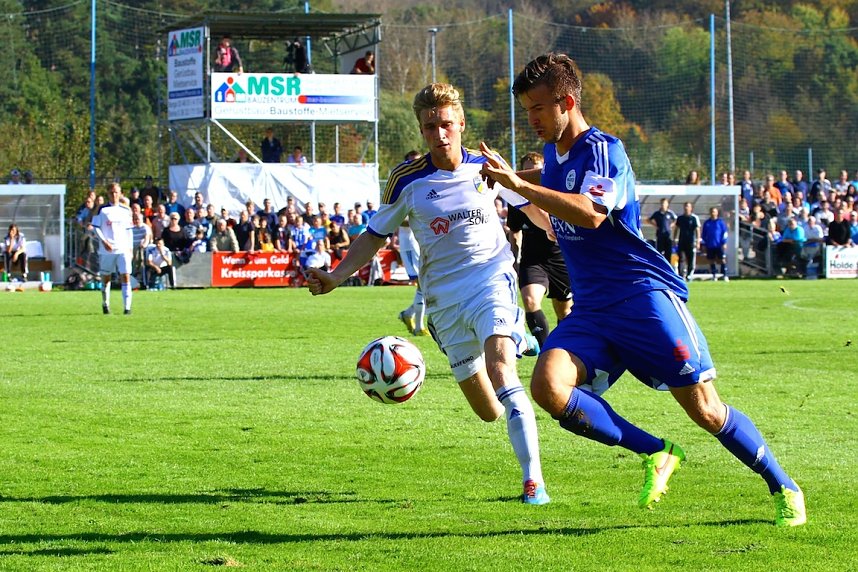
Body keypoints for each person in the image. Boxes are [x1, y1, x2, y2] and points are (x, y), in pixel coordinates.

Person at [479, 52, 804, 526]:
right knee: (548, 386)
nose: (531, 119)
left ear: (567, 102)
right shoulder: (553, 152)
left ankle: (784, 485)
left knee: (707, 411)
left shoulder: (607, 150)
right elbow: (551, 178)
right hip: (593, 309)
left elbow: (591, 212)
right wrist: (509, 178)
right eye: (526, 109)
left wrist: (516, 184)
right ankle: (656, 452)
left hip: (642, 299)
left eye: (538, 109)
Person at [307, 82, 551, 505]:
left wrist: (572, 237)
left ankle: (534, 482)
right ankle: (516, 341)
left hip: (492, 281)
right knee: (489, 410)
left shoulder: (486, 167)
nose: (440, 134)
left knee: (503, 372)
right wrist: (335, 275)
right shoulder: (408, 180)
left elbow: (532, 202)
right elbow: (374, 235)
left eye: (446, 125)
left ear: (461, 124)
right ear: (422, 130)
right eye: (430, 126)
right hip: (443, 303)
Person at [507, 151, 572, 349]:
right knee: (530, 300)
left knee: (564, 312)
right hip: (532, 259)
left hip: (560, 258)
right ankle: (546, 350)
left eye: (536, 171)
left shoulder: (556, 194)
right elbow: (515, 232)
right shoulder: (516, 200)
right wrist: (513, 259)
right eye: (528, 171)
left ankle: (564, 350)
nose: (532, 175)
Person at [91, 183, 134, 315]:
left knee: (125, 276)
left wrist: (130, 248)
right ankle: (105, 304)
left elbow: (129, 231)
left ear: (120, 193)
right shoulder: (102, 209)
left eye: (116, 192)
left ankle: (127, 308)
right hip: (107, 250)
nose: (114, 195)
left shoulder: (126, 210)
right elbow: (95, 227)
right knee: (106, 277)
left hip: (123, 249)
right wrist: (104, 241)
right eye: (111, 192)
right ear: (108, 194)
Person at [673, 201, 701, 281]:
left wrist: (698, 241)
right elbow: (676, 229)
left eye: (688, 206)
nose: (686, 208)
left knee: (690, 259)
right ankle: (681, 275)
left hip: (691, 242)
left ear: (691, 208)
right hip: (682, 241)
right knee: (681, 258)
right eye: (685, 206)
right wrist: (675, 238)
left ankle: (689, 274)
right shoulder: (680, 218)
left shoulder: (694, 218)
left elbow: (697, 230)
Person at [702, 207, 729, 281]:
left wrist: (724, 242)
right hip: (710, 245)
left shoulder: (720, 222)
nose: (713, 213)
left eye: (714, 211)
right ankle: (714, 275)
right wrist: (704, 244)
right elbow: (703, 234)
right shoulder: (707, 223)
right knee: (711, 260)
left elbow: (725, 233)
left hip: (719, 245)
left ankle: (725, 275)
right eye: (711, 212)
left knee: (722, 259)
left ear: (717, 213)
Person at [649, 198, 677, 264]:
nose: (663, 205)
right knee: (659, 252)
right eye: (662, 203)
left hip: (668, 236)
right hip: (660, 235)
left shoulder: (670, 213)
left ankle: (668, 267)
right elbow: (649, 220)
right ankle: (660, 266)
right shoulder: (657, 213)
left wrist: (672, 225)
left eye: (664, 203)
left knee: (668, 252)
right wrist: (655, 226)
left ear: (667, 204)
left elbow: (676, 220)